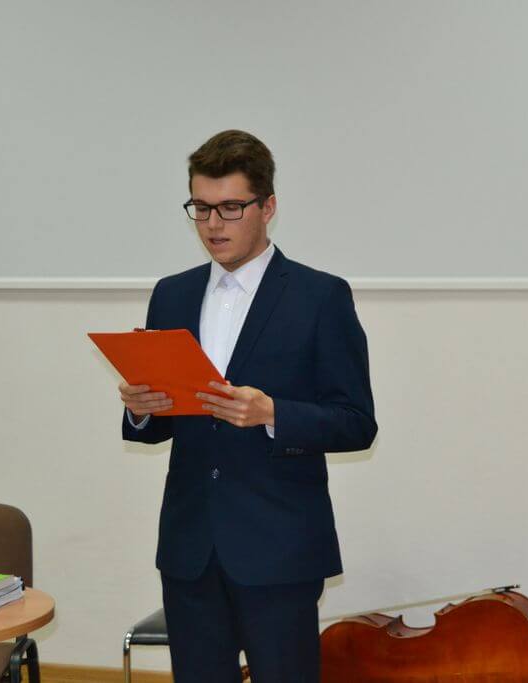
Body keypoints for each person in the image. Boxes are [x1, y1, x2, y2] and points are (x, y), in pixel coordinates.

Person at [119, 129, 377, 683]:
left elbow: (357, 423)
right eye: (201, 208)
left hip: (279, 547)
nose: (213, 224)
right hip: (190, 546)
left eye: (231, 208)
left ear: (268, 207)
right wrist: (142, 408)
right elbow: (156, 425)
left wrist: (272, 413)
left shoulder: (320, 296)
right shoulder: (172, 293)